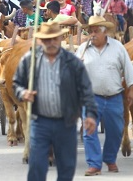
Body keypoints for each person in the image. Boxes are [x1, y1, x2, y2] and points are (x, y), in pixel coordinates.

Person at [13, 21, 98, 181]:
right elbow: (16, 83)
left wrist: (91, 115)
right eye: (46, 39)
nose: (51, 43)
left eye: (54, 39)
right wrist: (23, 93)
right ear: (40, 40)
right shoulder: (30, 60)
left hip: (66, 123)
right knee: (37, 166)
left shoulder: (72, 62)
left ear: (60, 39)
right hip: (40, 122)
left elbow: (86, 89)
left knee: (66, 168)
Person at [75, 16, 133, 176]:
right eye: (90, 31)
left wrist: (132, 89)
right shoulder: (82, 49)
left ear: (105, 32)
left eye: (96, 31)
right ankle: (94, 164)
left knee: (116, 130)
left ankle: (109, 158)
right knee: (89, 130)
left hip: (114, 97)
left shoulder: (118, 48)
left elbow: (129, 70)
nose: (92, 34)